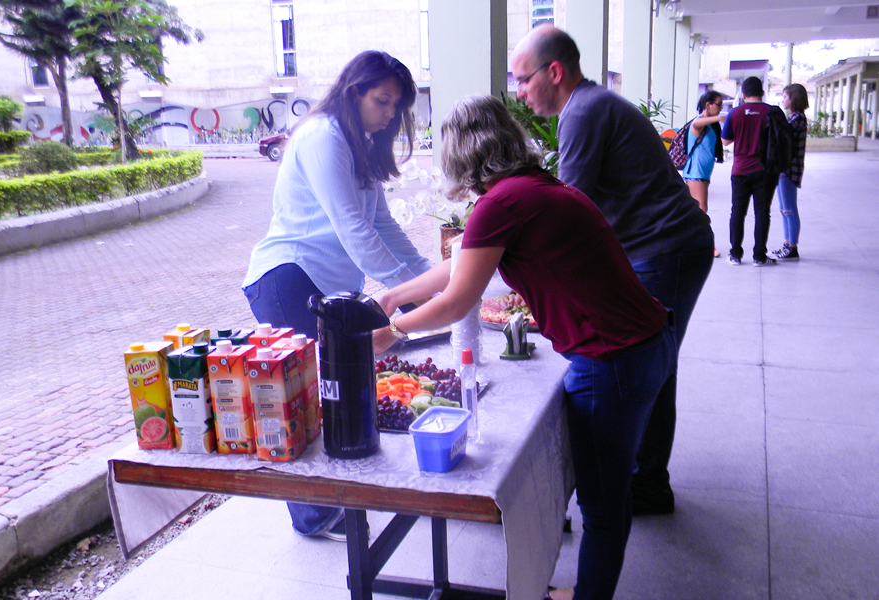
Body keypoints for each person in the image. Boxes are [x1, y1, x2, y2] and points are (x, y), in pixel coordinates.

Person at [373, 94, 677, 600]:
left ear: (459, 154)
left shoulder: (502, 202)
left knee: (602, 506)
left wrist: (396, 331)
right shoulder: (530, 189)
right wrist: (396, 294)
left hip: (613, 360)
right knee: (612, 490)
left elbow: (457, 300)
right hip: (646, 344)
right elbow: (467, 259)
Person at [511, 25, 714, 516]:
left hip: (666, 250)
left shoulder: (582, 112)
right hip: (669, 246)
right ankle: (647, 480)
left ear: (553, 71)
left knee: (650, 364)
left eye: (522, 80)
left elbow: (566, 210)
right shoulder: (590, 106)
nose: (519, 93)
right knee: (658, 364)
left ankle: (644, 484)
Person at [241, 50, 432, 541]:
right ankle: (313, 514)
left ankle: (335, 503)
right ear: (354, 92)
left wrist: (434, 279)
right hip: (287, 279)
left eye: (397, 106)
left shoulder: (358, 142)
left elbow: (384, 226)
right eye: (382, 101)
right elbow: (353, 231)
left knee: (339, 395)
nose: (391, 114)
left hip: (324, 288)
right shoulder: (323, 137)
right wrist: (408, 295)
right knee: (306, 401)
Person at [721, 76, 779, 266]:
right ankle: (759, 257)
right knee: (762, 213)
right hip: (765, 171)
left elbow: (725, 141)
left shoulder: (734, 113)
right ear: (762, 93)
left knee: (737, 211)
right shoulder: (771, 112)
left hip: (739, 170)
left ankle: (735, 254)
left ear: (743, 94)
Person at [682, 91, 726, 257]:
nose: (721, 108)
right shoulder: (699, 123)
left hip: (701, 173)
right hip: (696, 172)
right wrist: (718, 118)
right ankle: (704, 246)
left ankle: (691, 243)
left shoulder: (709, 126)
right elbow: (696, 123)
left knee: (697, 211)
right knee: (701, 209)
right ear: (708, 105)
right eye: (719, 104)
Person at [772, 83, 808, 261]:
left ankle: (792, 247)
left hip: (789, 170)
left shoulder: (797, 118)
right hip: (784, 170)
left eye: (785, 96)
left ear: (794, 98)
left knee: (789, 210)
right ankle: (787, 244)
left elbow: (781, 137)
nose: (783, 100)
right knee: (784, 210)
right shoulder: (794, 117)